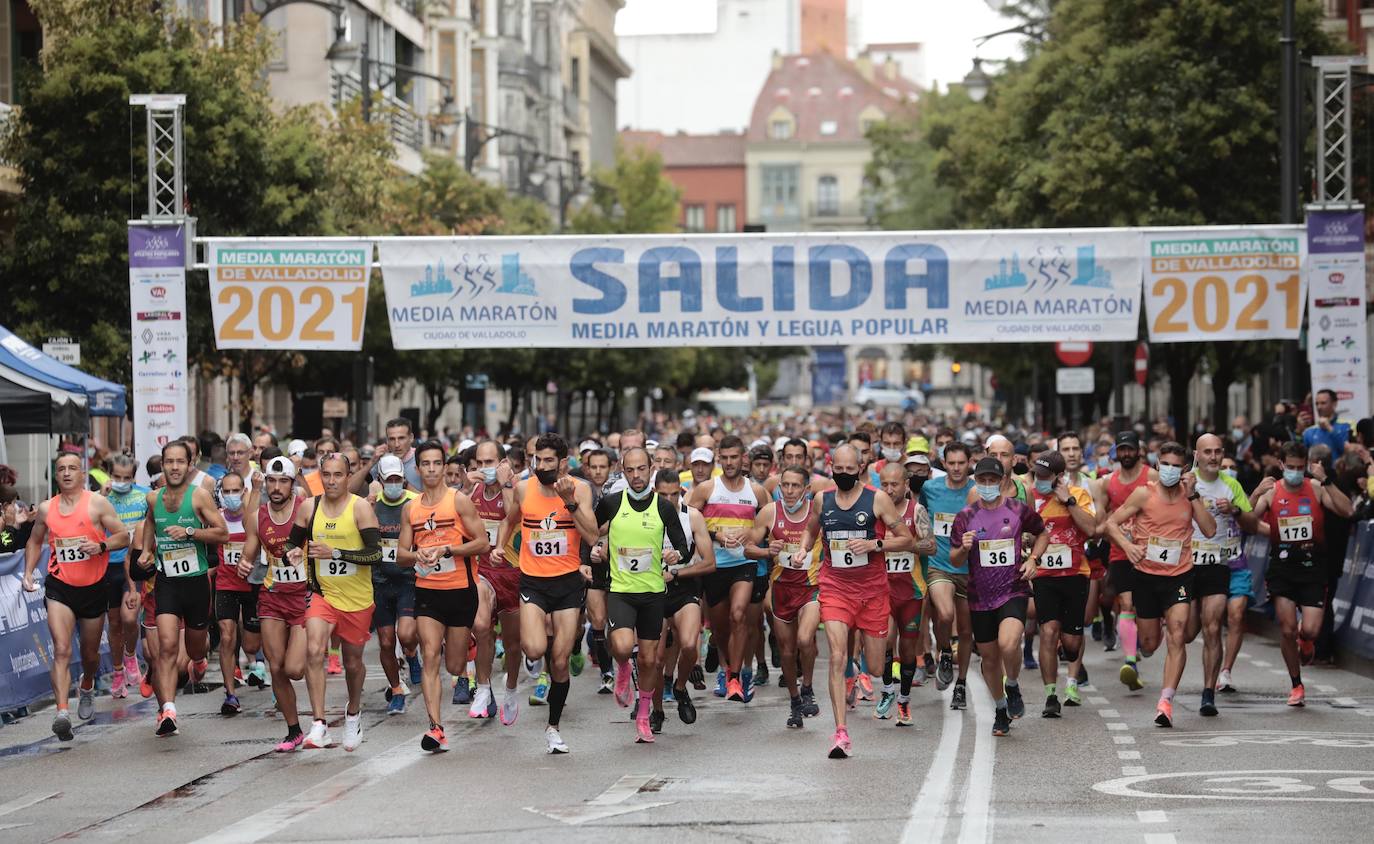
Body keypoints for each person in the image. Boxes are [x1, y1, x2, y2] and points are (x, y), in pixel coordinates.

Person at [801, 444, 913, 758]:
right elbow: (810, 530)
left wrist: (874, 544)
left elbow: (906, 538)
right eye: (839, 470)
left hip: (872, 591)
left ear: (861, 467)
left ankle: (861, 666)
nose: (844, 475)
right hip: (835, 587)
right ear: (830, 466)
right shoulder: (822, 499)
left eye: (850, 470)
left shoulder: (877, 499)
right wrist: (803, 549)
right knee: (837, 656)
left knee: (876, 668)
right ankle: (841, 733)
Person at [499, 433, 598, 754]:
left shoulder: (580, 489)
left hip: (567, 583)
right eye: (537, 460)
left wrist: (569, 501)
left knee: (559, 661)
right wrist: (499, 546)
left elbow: (592, 535)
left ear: (563, 463)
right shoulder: (524, 488)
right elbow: (509, 519)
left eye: (548, 461)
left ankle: (553, 727)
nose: (541, 466)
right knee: (533, 647)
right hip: (533, 581)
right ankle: (544, 649)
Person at [22, 451, 131, 740]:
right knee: (61, 649)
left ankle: (87, 684)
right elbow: (34, 541)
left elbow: (123, 535)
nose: (67, 473)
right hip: (60, 587)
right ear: (56, 475)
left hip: (94, 588)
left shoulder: (97, 503)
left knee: (90, 655)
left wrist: (102, 546)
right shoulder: (47, 509)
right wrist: (28, 572)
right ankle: (62, 713)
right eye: (61, 469)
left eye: (72, 468)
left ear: (83, 473)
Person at [1105, 442, 1216, 728]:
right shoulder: (1144, 494)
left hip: (1180, 576)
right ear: (1157, 465)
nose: (1169, 470)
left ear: (1184, 469)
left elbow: (1210, 530)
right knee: (1150, 644)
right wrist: (1128, 547)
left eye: (1175, 466)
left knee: (1177, 634)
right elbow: (1111, 524)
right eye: (1165, 464)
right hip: (1146, 576)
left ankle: (1165, 702)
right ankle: (1153, 636)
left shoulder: (1190, 496)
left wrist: (1193, 496)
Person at [590, 448, 696, 743]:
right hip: (621, 590)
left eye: (641, 469)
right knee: (624, 646)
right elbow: (590, 532)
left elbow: (683, 547)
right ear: (623, 471)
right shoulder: (612, 503)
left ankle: (644, 715)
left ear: (651, 469)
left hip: (653, 593)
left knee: (649, 660)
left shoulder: (663, 507)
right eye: (630, 470)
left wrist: (676, 555)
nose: (636, 476)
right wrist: (593, 552)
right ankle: (623, 667)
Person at [397, 440, 489, 752]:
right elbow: (400, 555)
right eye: (426, 464)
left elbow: (482, 543)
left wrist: (449, 549)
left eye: (437, 463)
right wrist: (418, 555)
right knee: (430, 654)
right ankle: (435, 728)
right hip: (428, 592)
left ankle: (468, 647)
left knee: (454, 664)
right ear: (418, 468)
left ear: (444, 467)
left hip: (461, 591)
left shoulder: (458, 501)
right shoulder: (411, 509)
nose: (432, 469)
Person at [287, 453, 382, 751]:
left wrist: (336, 553)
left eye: (338, 475)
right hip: (322, 593)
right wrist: (291, 552)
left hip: (356, 598)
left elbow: (375, 554)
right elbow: (292, 542)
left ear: (348, 476)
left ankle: (353, 713)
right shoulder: (309, 507)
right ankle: (319, 724)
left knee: (353, 663)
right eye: (326, 474)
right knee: (314, 649)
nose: (331, 481)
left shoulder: (360, 508)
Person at [1248, 441, 1354, 706]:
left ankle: (1306, 641)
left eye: (1299, 467)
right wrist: (1255, 494)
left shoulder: (1316, 487)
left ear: (1306, 465)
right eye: (1290, 467)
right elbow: (1247, 523)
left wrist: (1326, 480)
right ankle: (1296, 685)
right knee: (1287, 630)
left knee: (1311, 629)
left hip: (1313, 568)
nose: (1295, 472)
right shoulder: (1272, 491)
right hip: (1282, 569)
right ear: (1281, 465)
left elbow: (1347, 510)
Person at [135, 441, 230, 737]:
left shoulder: (199, 496)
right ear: (163, 465)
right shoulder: (153, 498)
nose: (174, 467)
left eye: (180, 462)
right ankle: (168, 711)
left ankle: (199, 660)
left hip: (196, 582)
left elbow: (222, 533)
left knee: (195, 647)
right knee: (165, 648)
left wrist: (189, 532)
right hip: (167, 582)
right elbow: (150, 522)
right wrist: (146, 551)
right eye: (169, 462)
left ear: (190, 465)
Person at [951, 457, 1047, 737]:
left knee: (1008, 643)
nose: (987, 485)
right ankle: (1001, 708)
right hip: (980, 596)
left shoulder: (1017, 509)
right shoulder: (965, 517)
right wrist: (964, 548)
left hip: (1012, 590)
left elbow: (1042, 533)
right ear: (976, 482)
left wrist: (1034, 560)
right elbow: (955, 559)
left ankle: (1013, 684)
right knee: (990, 659)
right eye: (982, 480)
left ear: (1002, 481)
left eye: (992, 480)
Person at [687, 436, 769, 702]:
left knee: (738, 614)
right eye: (725, 458)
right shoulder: (706, 489)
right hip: (714, 565)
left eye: (735, 457)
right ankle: (726, 669)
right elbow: (688, 523)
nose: (730, 462)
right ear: (719, 458)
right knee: (720, 629)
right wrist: (716, 535)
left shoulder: (756, 492)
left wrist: (754, 536)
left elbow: (769, 522)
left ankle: (737, 675)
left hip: (744, 563)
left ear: (743, 458)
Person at [239, 456, 310, 751]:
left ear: (292, 484)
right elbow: (249, 551)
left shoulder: (306, 509)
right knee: (277, 667)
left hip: (304, 597)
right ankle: (294, 730)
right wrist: (244, 563)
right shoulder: (259, 516)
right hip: (272, 596)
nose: (277, 487)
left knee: (294, 669)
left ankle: (317, 714)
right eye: (272, 481)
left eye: (283, 481)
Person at [1186, 433, 1258, 714]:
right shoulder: (1185, 481)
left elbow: (1252, 524)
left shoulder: (1231, 485)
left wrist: (1236, 510)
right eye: (1207, 452)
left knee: (1213, 627)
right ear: (1197, 455)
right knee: (1187, 632)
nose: (1213, 457)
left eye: (1217, 451)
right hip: (1187, 566)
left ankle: (1208, 693)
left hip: (1218, 565)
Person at [748, 466, 823, 728]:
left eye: (795, 486)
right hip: (782, 589)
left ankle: (808, 688)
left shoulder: (817, 511)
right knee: (787, 652)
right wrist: (767, 551)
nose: (789, 491)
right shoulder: (770, 512)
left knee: (805, 638)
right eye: (785, 485)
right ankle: (795, 701)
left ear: (806, 489)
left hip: (811, 587)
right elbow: (748, 548)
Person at [1026, 451, 1095, 718]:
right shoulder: (1030, 497)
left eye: (1046, 476)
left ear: (1060, 476)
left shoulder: (1078, 494)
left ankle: (1073, 677)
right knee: (1048, 631)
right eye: (1037, 475)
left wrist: (1069, 501)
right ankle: (1051, 695)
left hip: (1075, 574)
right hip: (1044, 576)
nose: (1040, 480)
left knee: (1072, 644)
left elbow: (1091, 529)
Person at [652, 469, 715, 731]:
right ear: (654, 493)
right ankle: (656, 710)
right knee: (655, 660)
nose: (669, 500)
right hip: (652, 590)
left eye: (674, 494)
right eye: (663, 495)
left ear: (681, 491)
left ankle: (679, 687)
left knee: (689, 645)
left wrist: (676, 572)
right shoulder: (644, 516)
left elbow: (710, 563)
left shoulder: (693, 517)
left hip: (683, 587)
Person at [876, 462, 936, 726]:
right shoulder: (875, 511)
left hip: (911, 590)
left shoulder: (916, 510)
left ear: (906, 484)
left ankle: (904, 699)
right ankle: (888, 690)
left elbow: (931, 546)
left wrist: (905, 544)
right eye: (884, 484)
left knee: (908, 649)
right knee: (886, 639)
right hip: (882, 589)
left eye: (894, 484)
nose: (889, 490)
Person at [1095, 431, 1154, 691]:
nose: (1126, 454)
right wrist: (1101, 522)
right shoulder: (1108, 483)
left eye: (1130, 449)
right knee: (1127, 602)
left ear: (1138, 450)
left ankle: (1144, 642)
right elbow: (1101, 521)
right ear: (1116, 453)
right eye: (1122, 449)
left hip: (1150, 551)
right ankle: (1130, 662)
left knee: (1147, 608)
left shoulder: (1152, 477)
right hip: (1120, 551)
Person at [468, 440, 522, 725]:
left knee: (513, 644)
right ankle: (483, 687)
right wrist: (465, 489)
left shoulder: (516, 486)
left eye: (489, 462)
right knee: (481, 627)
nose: (483, 468)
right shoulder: (474, 490)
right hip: (484, 571)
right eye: (479, 463)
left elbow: (513, 517)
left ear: (503, 463)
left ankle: (510, 690)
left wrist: (506, 484)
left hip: (513, 573)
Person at [920, 441, 975, 709]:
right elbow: (920, 517)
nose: (956, 468)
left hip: (969, 569)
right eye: (951, 463)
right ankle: (943, 651)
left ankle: (961, 684)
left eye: (961, 463)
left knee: (965, 631)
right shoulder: (930, 488)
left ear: (969, 463)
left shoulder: (976, 491)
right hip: (938, 564)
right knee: (944, 614)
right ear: (943, 463)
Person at [371, 455, 420, 715]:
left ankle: (411, 654)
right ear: (380, 480)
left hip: (408, 581)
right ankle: (397, 690)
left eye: (397, 479)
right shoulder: (371, 506)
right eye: (388, 479)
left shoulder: (414, 502)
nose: (393, 484)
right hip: (380, 582)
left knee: (407, 635)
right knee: (386, 642)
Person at [213, 471, 263, 716]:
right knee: (226, 637)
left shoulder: (253, 517)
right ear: (221, 494)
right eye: (227, 491)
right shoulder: (217, 518)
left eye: (236, 491)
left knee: (252, 645)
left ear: (244, 492)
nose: (231, 495)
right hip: (226, 585)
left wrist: (256, 490)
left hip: (251, 586)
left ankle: (267, 674)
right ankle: (230, 695)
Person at [104, 454, 148, 700]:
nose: (121, 482)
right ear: (110, 474)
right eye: (117, 477)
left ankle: (131, 655)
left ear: (133, 477)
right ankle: (118, 672)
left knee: (129, 617)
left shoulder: (144, 496)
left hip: (133, 565)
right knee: (114, 623)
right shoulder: (101, 499)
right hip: (107, 565)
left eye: (127, 477)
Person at [1302, 389, 1352, 455]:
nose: (1319, 407)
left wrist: (1330, 429)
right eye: (1317, 404)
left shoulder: (1347, 425)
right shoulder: (1309, 431)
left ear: (1334, 404)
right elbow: (1304, 457)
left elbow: (1348, 452)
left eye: (1323, 403)